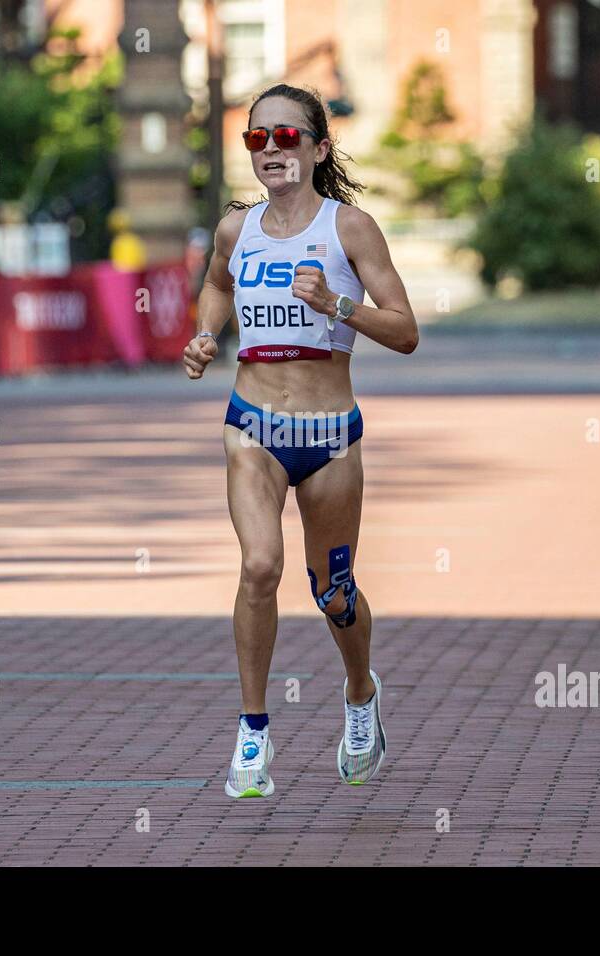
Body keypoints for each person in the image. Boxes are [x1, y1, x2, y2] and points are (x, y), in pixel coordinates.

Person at [181, 84, 418, 798]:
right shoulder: (236, 229)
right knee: (260, 566)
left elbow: (405, 330)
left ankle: (360, 694)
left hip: (329, 435)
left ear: (318, 148)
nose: (272, 149)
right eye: (258, 138)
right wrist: (205, 335)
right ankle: (253, 731)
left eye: (287, 136)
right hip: (252, 424)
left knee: (333, 591)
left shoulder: (351, 229)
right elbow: (217, 286)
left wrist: (337, 304)